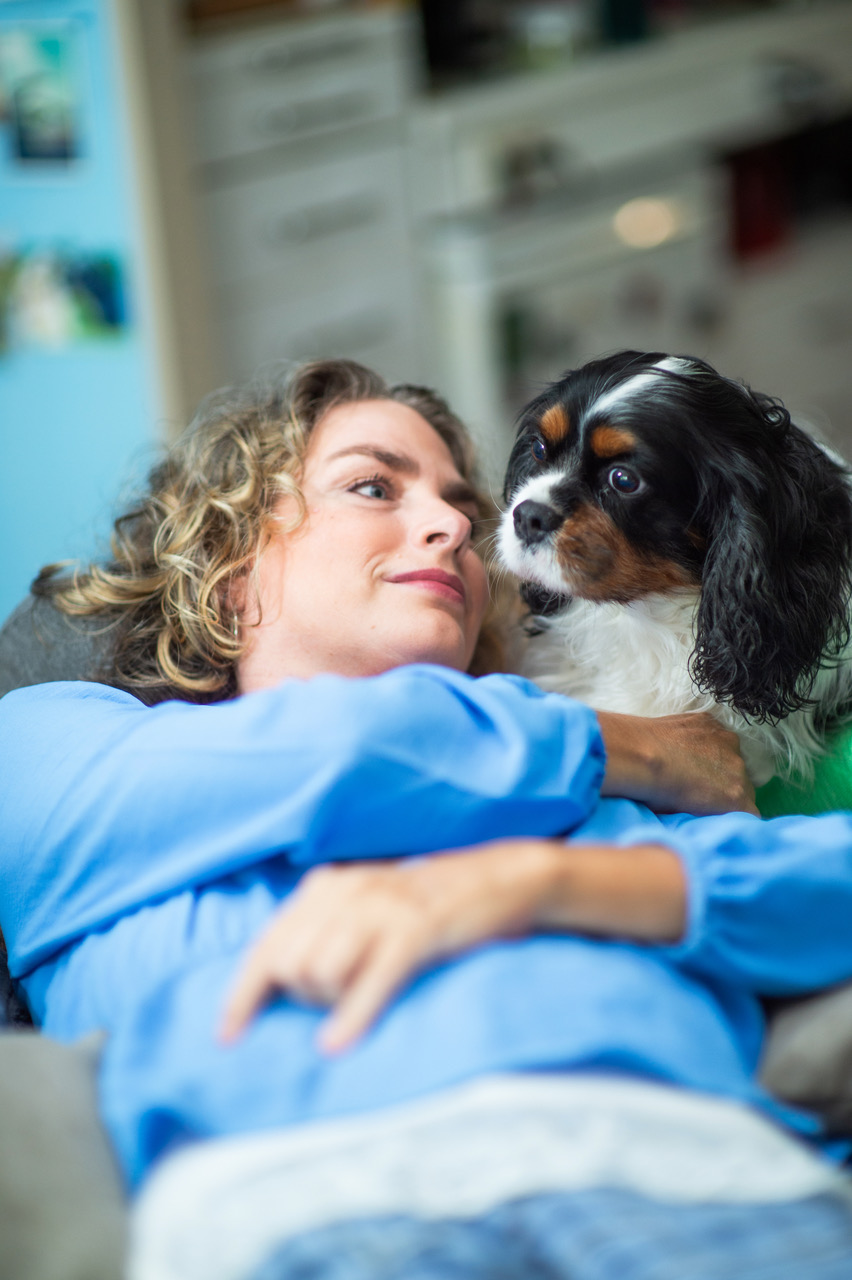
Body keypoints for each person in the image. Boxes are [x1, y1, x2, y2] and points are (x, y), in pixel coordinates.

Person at [2, 358, 852, 1280]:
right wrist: (619, 745)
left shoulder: (602, 797)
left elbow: (821, 890)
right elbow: (337, 753)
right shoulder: (51, 741)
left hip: (697, 1178)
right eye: (373, 486)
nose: (455, 526)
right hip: (315, 1204)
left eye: (468, 514)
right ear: (226, 553)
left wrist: (542, 881)